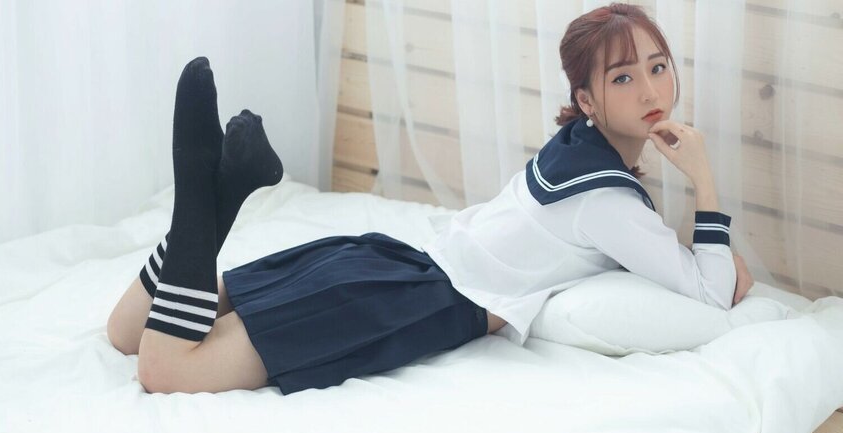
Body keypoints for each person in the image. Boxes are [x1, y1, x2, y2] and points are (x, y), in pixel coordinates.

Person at [107, 3, 754, 396]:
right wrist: (704, 181)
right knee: (166, 371)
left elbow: (674, 260)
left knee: (123, 332)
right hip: (402, 305)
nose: (651, 89)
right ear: (587, 99)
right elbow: (712, 291)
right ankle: (201, 202)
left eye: (658, 66)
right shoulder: (608, 202)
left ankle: (218, 199)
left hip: (384, 261)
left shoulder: (574, 147)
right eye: (624, 76)